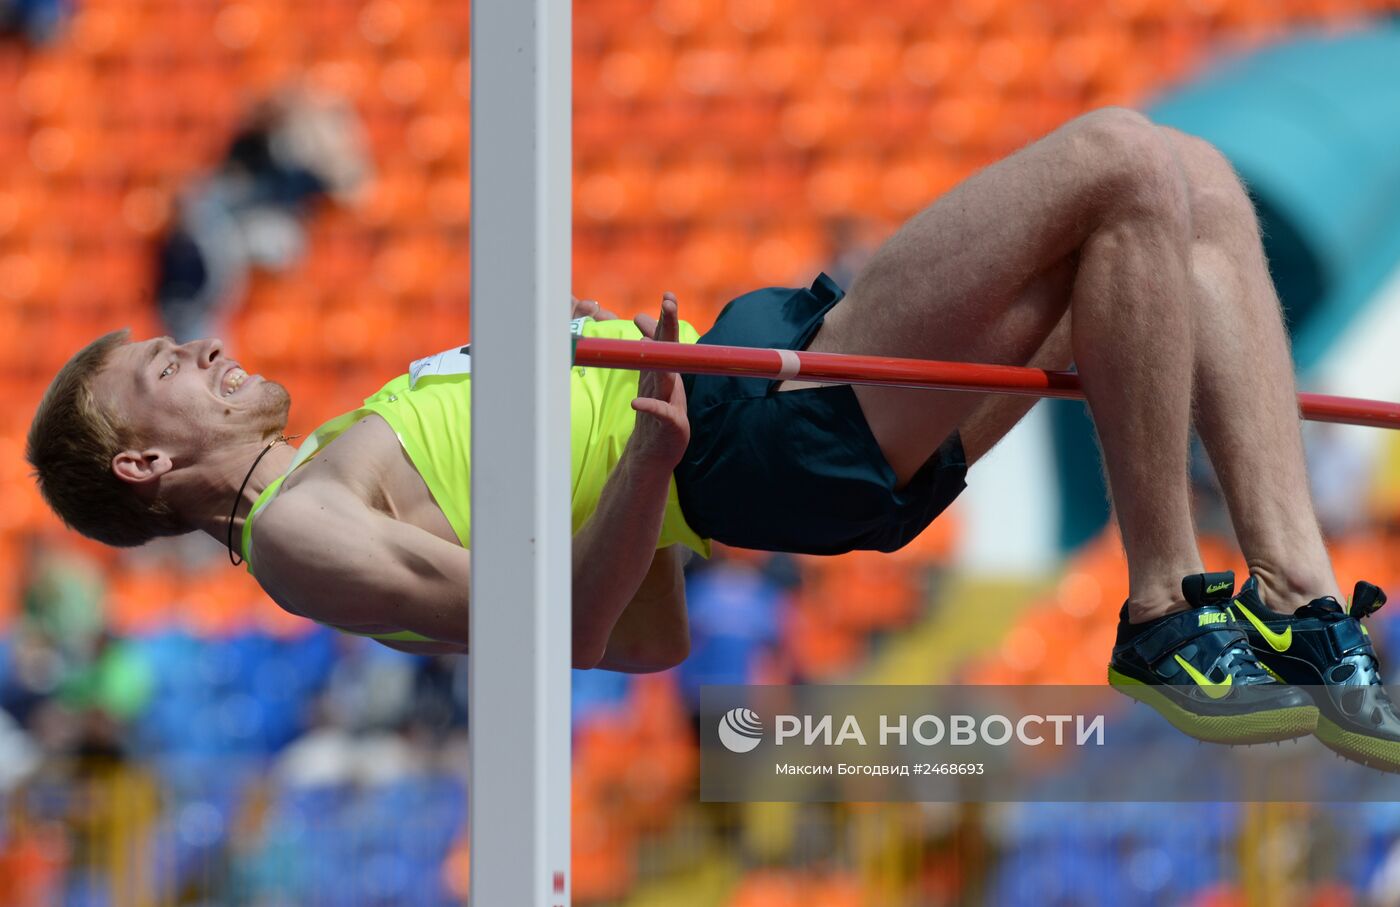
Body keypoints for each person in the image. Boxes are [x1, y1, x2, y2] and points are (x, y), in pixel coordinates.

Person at [25, 108, 1400, 769]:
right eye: (164, 367)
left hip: (756, 433)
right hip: (758, 430)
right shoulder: (304, 529)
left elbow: (643, 631)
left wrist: (610, 447)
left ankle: (1303, 607)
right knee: (1125, 162)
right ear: (144, 464)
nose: (198, 347)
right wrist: (647, 455)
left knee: (1187, 203)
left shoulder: (337, 475)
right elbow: (563, 630)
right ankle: (1165, 605)